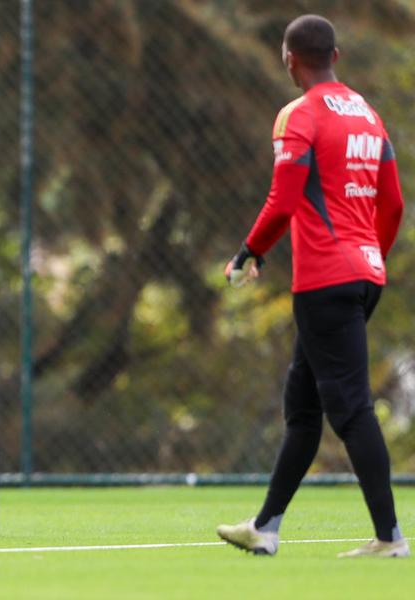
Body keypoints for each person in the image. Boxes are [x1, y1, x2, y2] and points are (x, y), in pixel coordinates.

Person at [217, 14, 406, 558]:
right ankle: (267, 526)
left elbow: (285, 198)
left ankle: (390, 539)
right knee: (303, 406)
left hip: (326, 278)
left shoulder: (298, 116)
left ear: (288, 59)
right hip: (364, 272)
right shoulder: (369, 116)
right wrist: (370, 256)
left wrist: (250, 251)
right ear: (336, 56)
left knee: (349, 409)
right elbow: (391, 204)